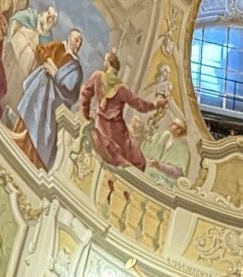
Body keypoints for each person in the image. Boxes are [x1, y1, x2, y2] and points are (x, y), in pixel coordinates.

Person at [10, 27, 84, 170]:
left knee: (43, 128)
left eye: (80, 42)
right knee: (30, 113)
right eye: (76, 39)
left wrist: (55, 73)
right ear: (69, 37)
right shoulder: (58, 46)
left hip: (53, 101)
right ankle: (19, 139)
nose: (78, 44)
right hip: (40, 89)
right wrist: (47, 60)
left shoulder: (76, 67)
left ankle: (32, 159)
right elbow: (40, 50)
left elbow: (71, 90)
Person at [80, 51, 167, 171]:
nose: (104, 63)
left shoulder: (97, 76)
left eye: (105, 61)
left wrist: (86, 114)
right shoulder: (122, 89)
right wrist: (156, 104)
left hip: (101, 126)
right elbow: (140, 105)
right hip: (118, 133)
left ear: (108, 64)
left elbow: (85, 94)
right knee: (139, 162)